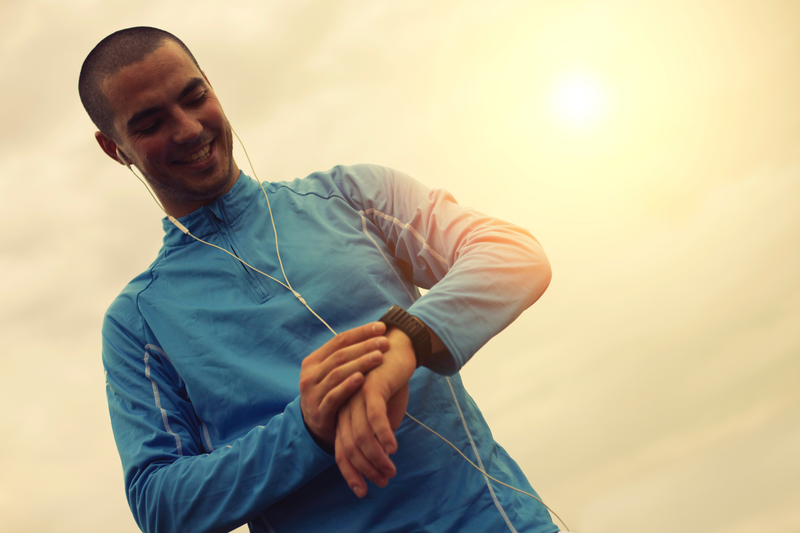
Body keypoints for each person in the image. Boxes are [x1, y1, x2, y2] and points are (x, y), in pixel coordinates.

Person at [80, 26, 557, 533]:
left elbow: (513, 253)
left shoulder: (353, 195)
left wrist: (406, 342)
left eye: (195, 97)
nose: (190, 130)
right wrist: (307, 430)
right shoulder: (138, 321)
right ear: (116, 149)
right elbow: (160, 504)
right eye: (152, 123)